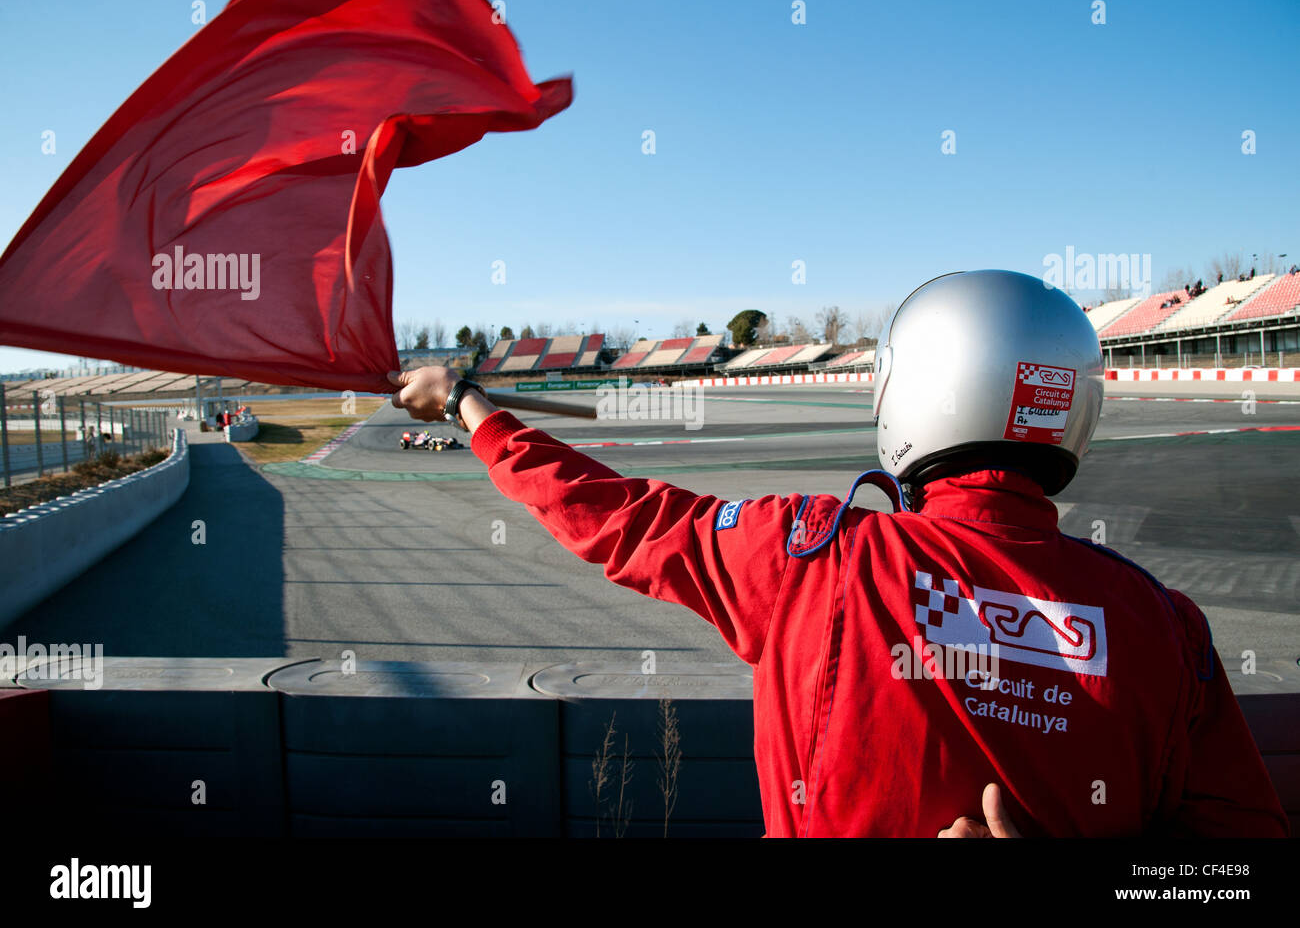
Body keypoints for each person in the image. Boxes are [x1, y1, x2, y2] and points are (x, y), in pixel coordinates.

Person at [389, 270, 1287, 838]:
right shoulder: (1165, 625)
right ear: (1069, 410)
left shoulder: (812, 552)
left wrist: (472, 405)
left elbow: (614, 517)